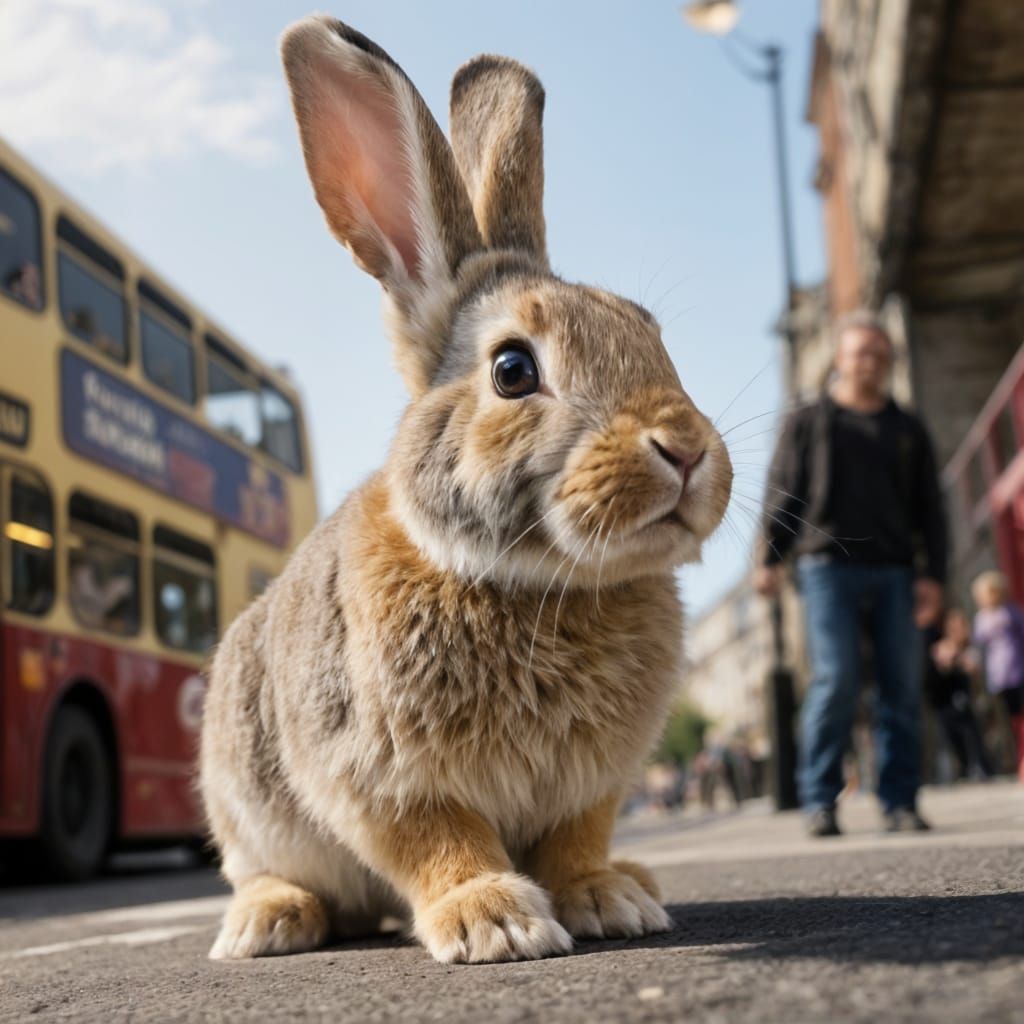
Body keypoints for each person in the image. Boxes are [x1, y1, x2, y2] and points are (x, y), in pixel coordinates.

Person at [754, 311, 947, 836]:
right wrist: (770, 557)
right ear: (839, 359)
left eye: (880, 354)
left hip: (896, 569)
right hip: (825, 566)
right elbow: (784, 490)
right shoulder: (811, 421)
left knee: (901, 687)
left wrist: (935, 576)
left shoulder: (907, 428)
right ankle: (820, 798)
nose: (871, 363)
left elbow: (931, 506)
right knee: (835, 679)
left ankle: (900, 801)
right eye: (861, 352)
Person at [926, 609, 993, 781]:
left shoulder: (969, 648)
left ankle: (978, 766)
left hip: (964, 700)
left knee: (971, 733)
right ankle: (961, 768)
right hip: (943, 701)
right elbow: (938, 669)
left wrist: (959, 659)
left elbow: (974, 669)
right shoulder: (941, 646)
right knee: (950, 737)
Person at [970, 571, 1024, 781]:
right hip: (996, 677)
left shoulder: (1010, 612)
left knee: (1021, 718)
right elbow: (978, 647)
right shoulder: (981, 619)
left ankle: (1022, 759)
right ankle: (1012, 760)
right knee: (1005, 722)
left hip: (1018, 671)